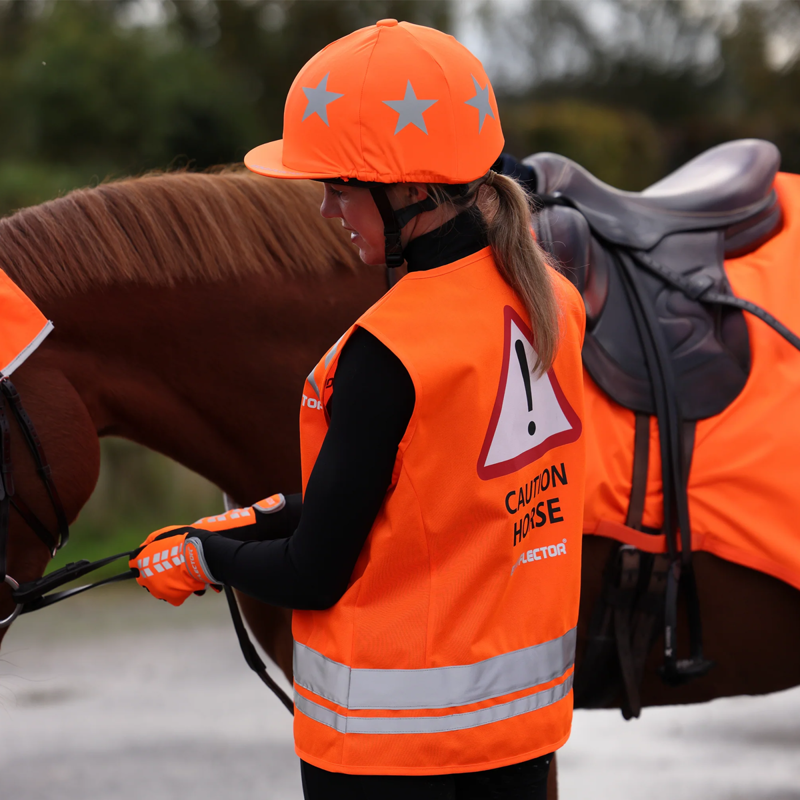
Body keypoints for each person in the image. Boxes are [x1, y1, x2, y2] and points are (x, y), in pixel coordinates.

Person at [130, 19, 586, 800]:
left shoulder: (386, 351)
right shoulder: (551, 301)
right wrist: (262, 517)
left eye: (339, 187)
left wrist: (202, 558)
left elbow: (313, 574)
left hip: (391, 759)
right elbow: (431, 504)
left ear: (410, 189)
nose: (324, 212)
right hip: (514, 742)